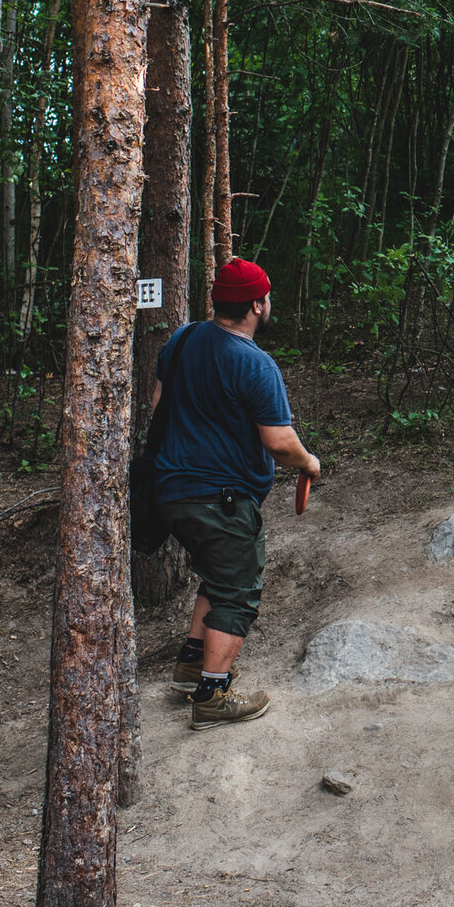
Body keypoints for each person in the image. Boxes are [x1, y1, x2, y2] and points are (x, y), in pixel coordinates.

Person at [151, 258, 322, 729]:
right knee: (239, 591)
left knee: (217, 576)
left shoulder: (181, 340)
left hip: (171, 495)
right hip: (220, 500)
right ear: (257, 304)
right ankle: (212, 697)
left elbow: (157, 405)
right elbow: (280, 443)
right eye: (267, 299)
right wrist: (309, 463)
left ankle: (189, 669)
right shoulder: (254, 363)